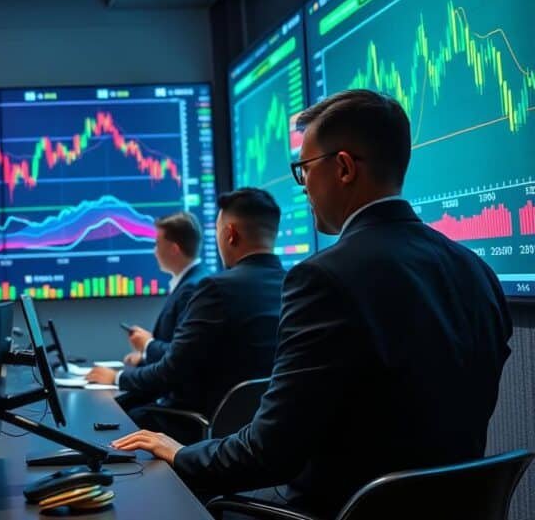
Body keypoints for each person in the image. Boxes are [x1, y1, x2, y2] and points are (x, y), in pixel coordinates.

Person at [110, 89, 513, 517]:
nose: (302, 188)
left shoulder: (324, 278)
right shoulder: (476, 271)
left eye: (304, 170)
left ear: (342, 168)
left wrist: (180, 454)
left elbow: (271, 453)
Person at [87, 188, 285, 444]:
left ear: (230, 235)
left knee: (111, 420)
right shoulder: (293, 282)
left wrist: (116, 378)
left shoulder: (216, 289)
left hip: (203, 426)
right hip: (263, 428)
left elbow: (172, 371)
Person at [121, 211, 212, 368]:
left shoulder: (191, 288)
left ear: (174, 249)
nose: (154, 251)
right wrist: (144, 360)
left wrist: (147, 344)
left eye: (157, 243)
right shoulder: (192, 280)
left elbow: (183, 356)